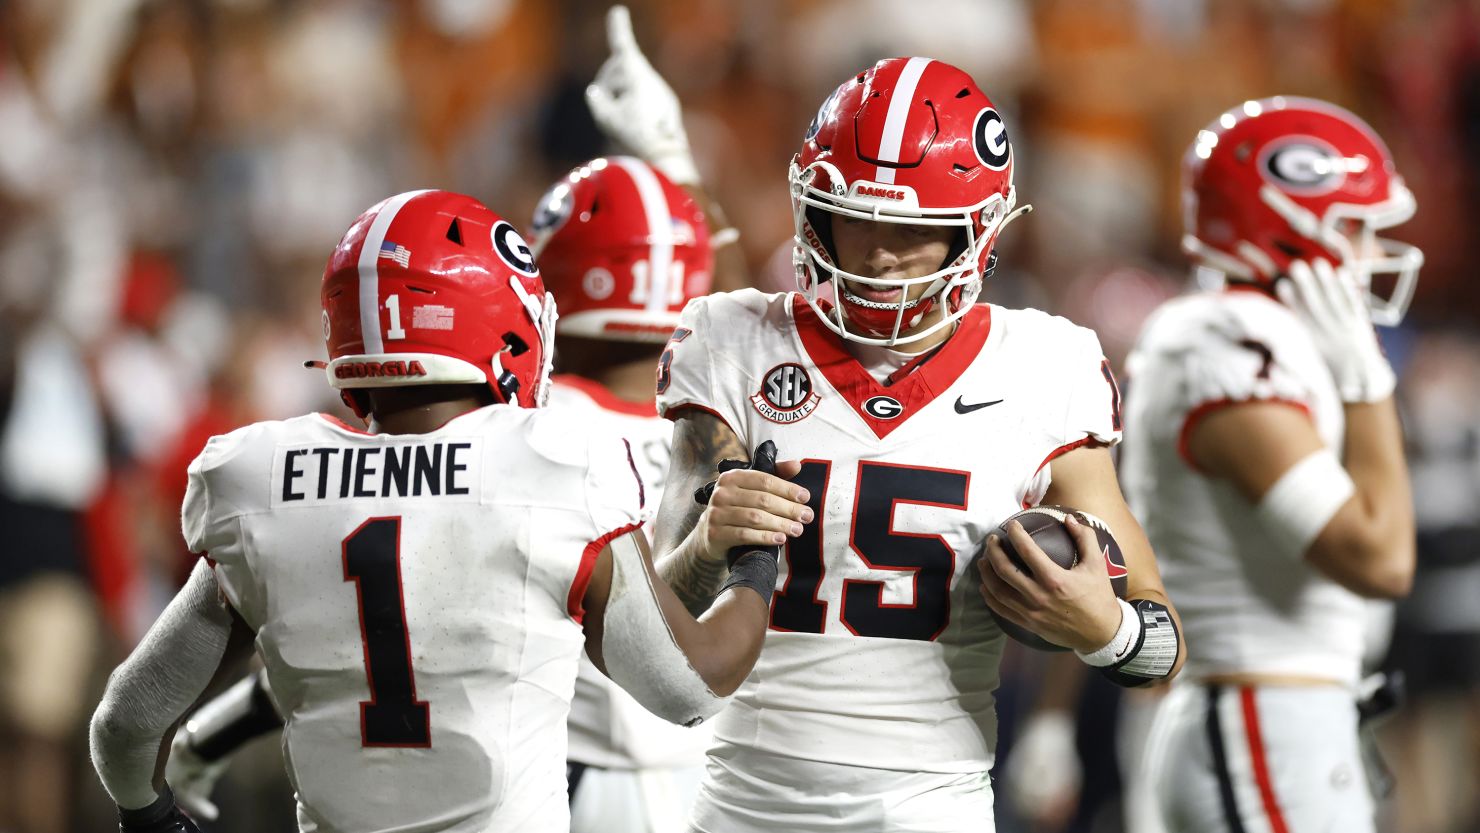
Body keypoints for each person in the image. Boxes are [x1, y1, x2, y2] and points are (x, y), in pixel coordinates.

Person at [89, 189, 777, 833]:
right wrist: (758, 556)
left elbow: (125, 722)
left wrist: (152, 816)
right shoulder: (556, 465)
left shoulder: (266, 482)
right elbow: (689, 684)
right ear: (506, 329)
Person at [648, 57, 1185, 832]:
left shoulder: (1044, 366)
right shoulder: (733, 339)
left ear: (976, 232)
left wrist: (1105, 628)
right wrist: (704, 549)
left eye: (912, 228)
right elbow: (655, 622)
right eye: (852, 215)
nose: (875, 253)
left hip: (929, 805)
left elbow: (1163, 644)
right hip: (741, 800)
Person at [1122, 97, 1421, 833]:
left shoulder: (1262, 340)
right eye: (1355, 230)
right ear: (1288, 229)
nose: (1374, 255)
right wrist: (1368, 385)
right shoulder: (1222, 341)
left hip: (1288, 714)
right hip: (1258, 713)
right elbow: (1378, 556)